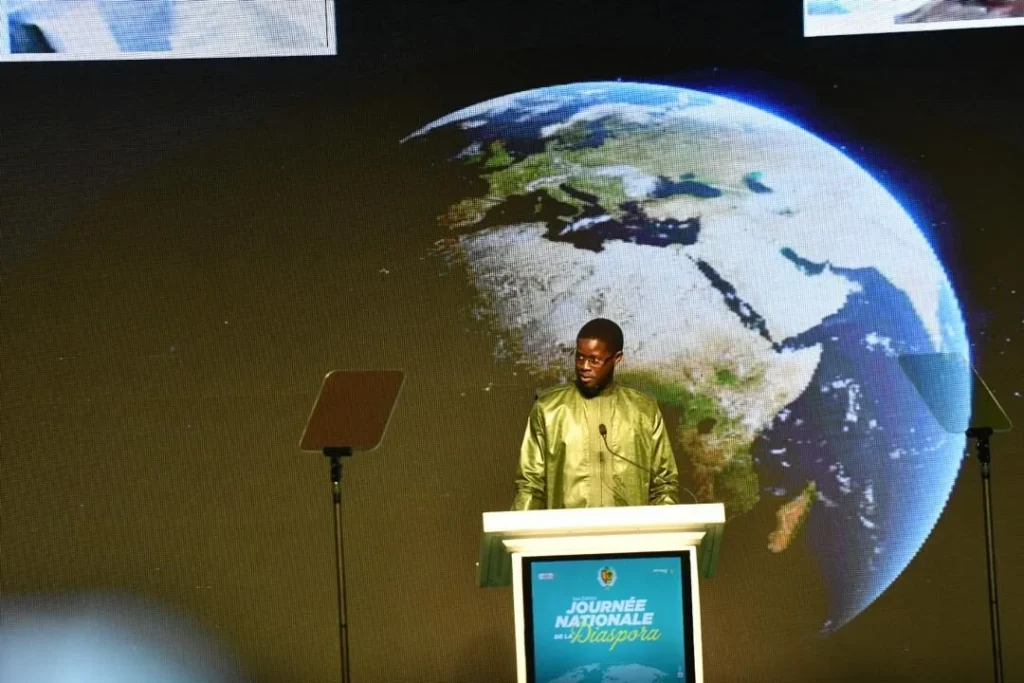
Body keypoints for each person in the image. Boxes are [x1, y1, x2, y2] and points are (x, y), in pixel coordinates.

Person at [512, 318, 680, 510]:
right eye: (579, 357)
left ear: (617, 358)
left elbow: (664, 485)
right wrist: (517, 527)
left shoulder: (644, 410)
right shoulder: (549, 409)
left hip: (630, 529)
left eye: (594, 360)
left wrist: (665, 526)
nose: (584, 366)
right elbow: (530, 486)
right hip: (567, 529)